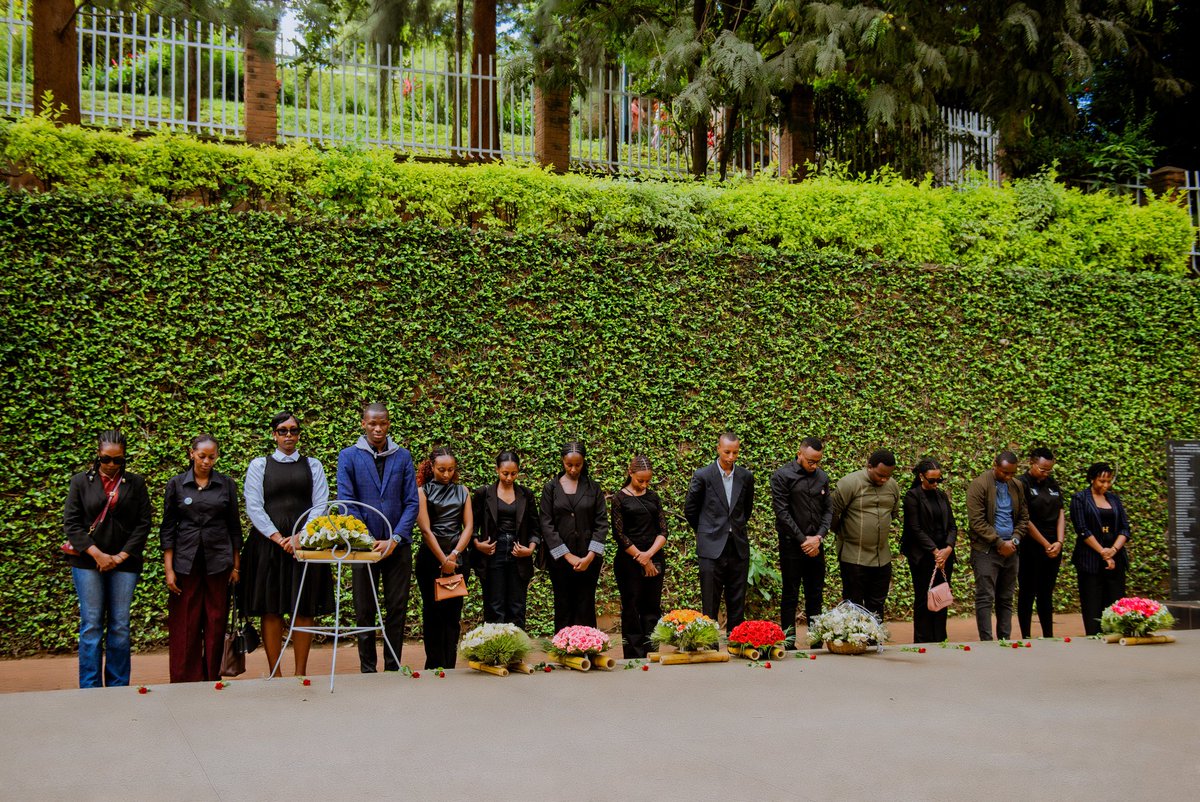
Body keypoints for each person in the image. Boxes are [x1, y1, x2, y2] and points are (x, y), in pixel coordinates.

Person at [240, 411, 333, 677]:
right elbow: (254, 506)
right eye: (283, 430)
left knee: (304, 606)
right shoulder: (259, 465)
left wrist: (300, 536)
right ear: (274, 434)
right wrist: (278, 537)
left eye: (293, 430)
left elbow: (321, 504)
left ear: (299, 434)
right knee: (271, 609)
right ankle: (275, 673)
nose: (288, 435)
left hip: (304, 546)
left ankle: (300, 672)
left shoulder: (313, 465)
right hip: (268, 546)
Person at [62, 430, 153, 688]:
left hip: (125, 563)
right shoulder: (81, 482)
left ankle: (118, 685)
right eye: (106, 459)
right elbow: (72, 523)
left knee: (120, 625)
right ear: (97, 454)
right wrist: (98, 555)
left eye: (118, 461)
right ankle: (90, 687)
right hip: (88, 562)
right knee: (91, 624)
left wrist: (121, 556)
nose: (112, 465)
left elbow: (143, 524)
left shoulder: (136, 483)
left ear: (125, 458)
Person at [336, 403, 419, 673]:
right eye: (372, 423)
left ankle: (393, 667)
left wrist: (394, 538)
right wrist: (368, 540)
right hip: (363, 548)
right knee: (364, 608)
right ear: (363, 423)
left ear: (389, 423)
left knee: (397, 607)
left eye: (382, 423)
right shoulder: (348, 456)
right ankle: (367, 670)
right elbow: (347, 502)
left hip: (398, 547)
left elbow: (411, 503)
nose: (377, 428)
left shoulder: (403, 456)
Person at [161, 434, 242, 683]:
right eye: (202, 456)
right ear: (191, 453)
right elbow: (167, 529)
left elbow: (234, 527)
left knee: (216, 619)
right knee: (186, 621)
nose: (207, 461)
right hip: (185, 563)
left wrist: (236, 566)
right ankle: (185, 678)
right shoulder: (176, 485)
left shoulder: (226, 484)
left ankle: (212, 676)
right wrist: (169, 570)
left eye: (212, 456)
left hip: (219, 561)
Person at [684, 432, 755, 635]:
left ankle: (736, 642)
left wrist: (735, 527)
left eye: (735, 452)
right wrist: (706, 530)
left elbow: (745, 509)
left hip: (738, 546)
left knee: (737, 599)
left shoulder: (746, 476)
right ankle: (710, 643)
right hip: (710, 547)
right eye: (727, 452)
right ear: (718, 449)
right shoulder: (703, 475)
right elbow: (690, 509)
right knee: (710, 600)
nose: (731, 457)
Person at [539, 442, 609, 632]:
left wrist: (590, 556)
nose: (573, 469)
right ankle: (564, 652)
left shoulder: (593, 488)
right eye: (569, 464)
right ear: (562, 461)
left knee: (585, 605)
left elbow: (601, 523)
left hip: (589, 559)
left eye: (578, 465)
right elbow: (546, 524)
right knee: (563, 605)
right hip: (560, 561)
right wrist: (567, 555)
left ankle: (587, 651)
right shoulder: (550, 488)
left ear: (583, 462)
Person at [414, 447, 473, 670]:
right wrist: (443, 559)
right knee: (432, 613)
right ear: (431, 467)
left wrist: (455, 555)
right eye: (441, 470)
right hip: (431, 560)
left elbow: (468, 527)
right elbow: (425, 530)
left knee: (453, 614)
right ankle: (433, 664)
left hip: (458, 560)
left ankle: (450, 664)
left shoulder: (463, 491)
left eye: (450, 469)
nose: (446, 474)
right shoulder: (423, 492)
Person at [769, 436, 831, 647]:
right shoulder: (782, 476)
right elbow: (782, 512)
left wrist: (818, 538)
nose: (814, 465)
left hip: (816, 544)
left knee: (815, 594)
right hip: (792, 545)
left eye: (818, 461)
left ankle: (816, 641)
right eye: (810, 461)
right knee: (790, 593)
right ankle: (788, 642)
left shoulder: (822, 477)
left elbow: (828, 510)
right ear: (799, 454)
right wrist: (804, 541)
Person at [471, 450, 541, 631]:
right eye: (505, 473)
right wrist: (478, 544)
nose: (509, 478)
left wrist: (531, 548)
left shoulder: (526, 494)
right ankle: (496, 650)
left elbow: (536, 527)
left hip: (519, 553)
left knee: (517, 605)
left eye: (514, 473)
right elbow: (471, 524)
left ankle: (516, 652)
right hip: (493, 552)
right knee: (494, 604)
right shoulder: (483, 493)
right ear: (497, 470)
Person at [610, 455, 669, 658]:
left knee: (652, 605)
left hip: (654, 556)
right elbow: (619, 534)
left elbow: (663, 531)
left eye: (647, 481)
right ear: (630, 473)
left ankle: (651, 651)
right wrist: (641, 558)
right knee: (632, 605)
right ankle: (634, 655)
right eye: (640, 480)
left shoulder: (653, 497)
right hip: (628, 560)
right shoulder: (619, 498)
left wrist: (650, 555)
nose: (644, 484)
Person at [966, 451, 1029, 641]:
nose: (1008, 477)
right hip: (986, 551)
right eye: (1004, 472)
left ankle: (1004, 639)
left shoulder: (1016, 485)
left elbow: (1024, 518)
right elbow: (976, 521)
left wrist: (1015, 540)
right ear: (995, 465)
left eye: (1012, 473)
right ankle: (986, 641)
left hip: (1011, 550)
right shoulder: (979, 485)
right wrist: (999, 542)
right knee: (985, 597)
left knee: (1006, 597)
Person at [830, 450, 900, 620]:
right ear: (869, 467)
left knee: (877, 603)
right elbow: (831, 514)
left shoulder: (893, 486)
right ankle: (854, 644)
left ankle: (874, 640)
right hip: (854, 557)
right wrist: (844, 532)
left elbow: (893, 513)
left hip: (882, 557)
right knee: (853, 604)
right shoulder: (849, 484)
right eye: (880, 475)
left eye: (888, 476)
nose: (884, 479)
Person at [901, 458, 958, 644]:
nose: (935, 484)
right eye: (931, 480)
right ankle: (923, 640)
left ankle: (940, 638)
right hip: (923, 556)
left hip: (944, 555)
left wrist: (948, 549)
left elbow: (952, 526)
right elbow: (915, 529)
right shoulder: (912, 496)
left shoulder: (941, 496)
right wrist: (935, 552)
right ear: (921, 476)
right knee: (924, 598)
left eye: (938, 480)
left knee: (942, 596)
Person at [1070, 462, 1130, 636]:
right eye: (1101, 481)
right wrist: (1103, 552)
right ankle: (1094, 637)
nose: (1105, 485)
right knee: (1092, 603)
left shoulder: (1114, 499)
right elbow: (1082, 529)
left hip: (1116, 558)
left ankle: (1116, 635)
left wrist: (1113, 550)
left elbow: (1125, 528)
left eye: (1108, 481)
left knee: (1116, 601)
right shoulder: (1080, 498)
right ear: (1092, 479)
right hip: (1090, 559)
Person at [1017, 447, 1066, 638]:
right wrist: (1045, 543)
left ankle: (1048, 634)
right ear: (1032, 463)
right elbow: (1024, 517)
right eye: (1042, 469)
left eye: (1049, 470)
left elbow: (1060, 512)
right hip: (1031, 546)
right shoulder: (1022, 483)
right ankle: (1026, 635)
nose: (1046, 473)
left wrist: (1059, 542)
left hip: (1054, 547)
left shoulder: (1052, 484)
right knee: (1028, 592)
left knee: (1046, 592)